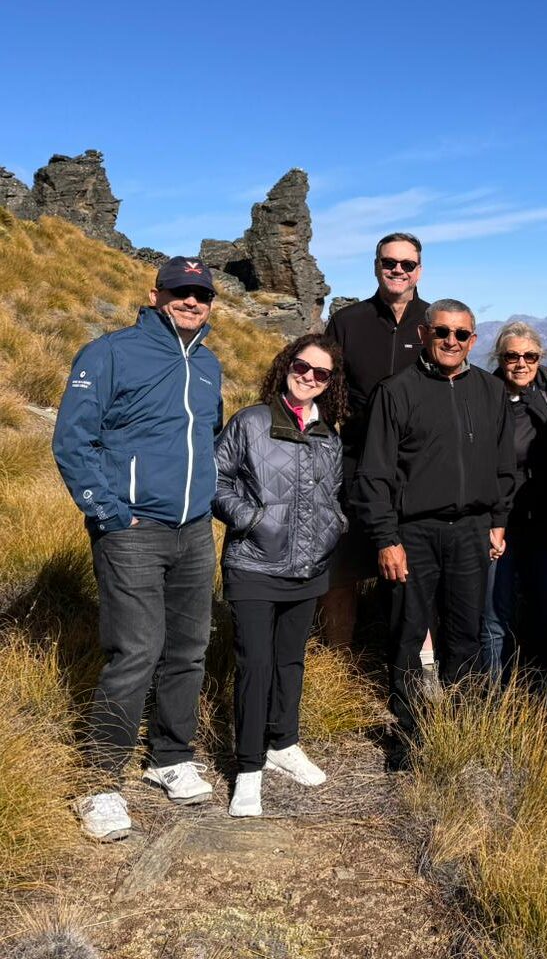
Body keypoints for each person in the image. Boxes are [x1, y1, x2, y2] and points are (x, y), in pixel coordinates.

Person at [53, 257, 222, 842]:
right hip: (132, 530)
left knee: (189, 648)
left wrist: (208, 501)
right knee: (135, 652)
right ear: (157, 295)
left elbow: (209, 441)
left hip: (194, 530)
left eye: (201, 293)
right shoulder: (110, 353)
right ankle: (99, 782)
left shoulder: (208, 363)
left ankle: (170, 758)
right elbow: (73, 438)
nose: (191, 301)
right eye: (180, 291)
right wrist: (108, 513)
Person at [352, 298, 516, 763]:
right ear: (424, 334)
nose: (451, 341)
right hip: (413, 532)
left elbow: (505, 465)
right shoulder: (397, 391)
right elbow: (375, 474)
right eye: (442, 332)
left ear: (473, 341)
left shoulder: (490, 391)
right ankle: (408, 735)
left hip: (473, 530)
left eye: (461, 335)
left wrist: (498, 521)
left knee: (466, 634)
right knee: (407, 632)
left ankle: (458, 730)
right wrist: (386, 538)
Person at [213, 334, 348, 817]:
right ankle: (248, 768)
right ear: (285, 365)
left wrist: (334, 529)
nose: (308, 376)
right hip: (253, 564)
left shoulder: (327, 435)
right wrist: (251, 519)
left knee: (291, 661)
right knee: (255, 664)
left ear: (331, 383)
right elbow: (216, 477)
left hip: (308, 569)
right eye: (301, 366)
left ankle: (283, 743)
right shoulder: (251, 422)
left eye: (321, 373)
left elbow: (331, 496)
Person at [322, 232, 430, 647]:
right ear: (376, 265)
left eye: (406, 264)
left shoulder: (434, 323)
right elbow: (326, 384)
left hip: (416, 468)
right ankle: (338, 662)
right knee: (343, 567)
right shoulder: (348, 322)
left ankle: (410, 665)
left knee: (415, 572)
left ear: (419, 270)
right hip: (354, 461)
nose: (397, 270)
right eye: (390, 262)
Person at [480, 322, 547, 680]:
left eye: (529, 356)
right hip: (497, 524)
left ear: (540, 359)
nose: (521, 363)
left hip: (541, 521)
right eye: (512, 356)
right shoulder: (486, 398)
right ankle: (492, 697)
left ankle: (538, 691)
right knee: (494, 614)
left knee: (545, 611)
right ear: (500, 359)